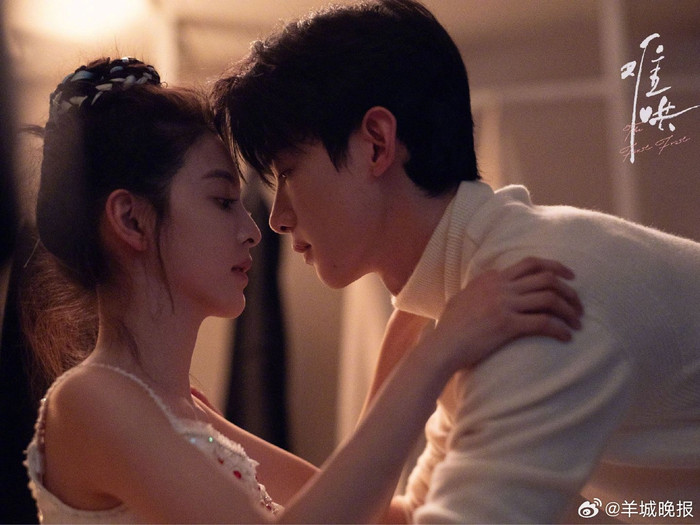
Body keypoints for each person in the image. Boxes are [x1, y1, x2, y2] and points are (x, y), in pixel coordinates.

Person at [21, 56, 583, 524]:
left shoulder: (184, 408)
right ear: (131, 219)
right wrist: (439, 352)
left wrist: (412, 321)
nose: (253, 229)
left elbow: (369, 515)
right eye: (222, 201)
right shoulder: (90, 401)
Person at [211, 0, 700, 522]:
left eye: (288, 172)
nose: (277, 219)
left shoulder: (536, 291)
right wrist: (215, 438)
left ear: (376, 144)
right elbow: (414, 513)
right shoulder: (471, 297)